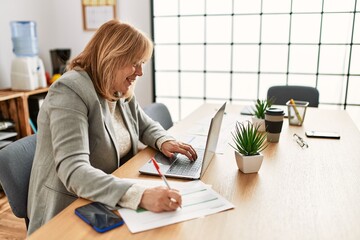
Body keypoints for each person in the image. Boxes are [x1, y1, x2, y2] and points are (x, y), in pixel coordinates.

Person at [27, 19, 198, 235]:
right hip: (67, 210)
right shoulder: (69, 91)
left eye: (142, 63)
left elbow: (144, 124)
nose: (140, 72)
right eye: (135, 62)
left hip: (103, 196)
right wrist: (141, 195)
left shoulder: (117, 87)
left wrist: (164, 140)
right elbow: (74, 171)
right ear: (112, 57)